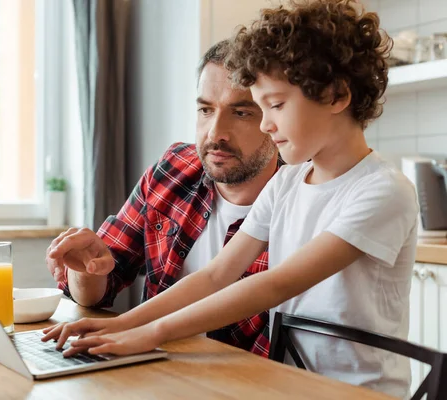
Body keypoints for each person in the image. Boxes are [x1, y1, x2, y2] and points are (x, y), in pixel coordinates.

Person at [43, 1, 419, 398]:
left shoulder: (382, 190)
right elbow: (216, 276)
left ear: (336, 96)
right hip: (292, 383)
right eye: (259, 108)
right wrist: (123, 323)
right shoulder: (289, 182)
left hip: (358, 393)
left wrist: (150, 333)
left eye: (275, 105)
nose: (266, 123)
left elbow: (277, 284)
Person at [44, 39, 282, 356]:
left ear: (274, 117)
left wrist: (131, 327)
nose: (215, 134)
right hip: (151, 366)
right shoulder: (174, 169)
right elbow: (100, 287)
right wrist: (86, 267)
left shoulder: (299, 197)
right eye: (206, 110)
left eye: (240, 112)